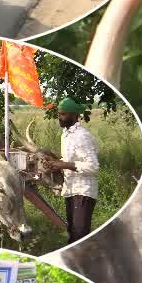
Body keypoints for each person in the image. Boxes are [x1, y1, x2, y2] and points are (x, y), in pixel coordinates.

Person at [43, 97, 99, 243]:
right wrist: (55, 163)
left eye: (63, 114)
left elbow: (93, 167)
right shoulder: (66, 135)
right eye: (59, 114)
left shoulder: (82, 136)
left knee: (79, 235)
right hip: (70, 190)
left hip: (83, 190)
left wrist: (63, 165)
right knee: (72, 232)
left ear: (74, 115)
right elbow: (68, 160)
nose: (59, 117)